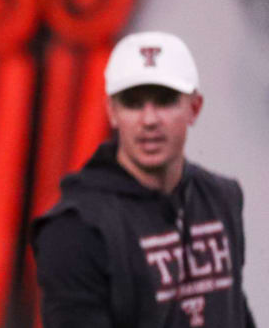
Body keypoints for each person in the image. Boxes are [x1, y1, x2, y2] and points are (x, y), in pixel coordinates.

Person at [32, 31, 255, 328]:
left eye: (164, 101)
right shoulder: (75, 228)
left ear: (195, 107)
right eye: (133, 103)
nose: (149, 120)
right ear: (112, 112)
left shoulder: (221, 197)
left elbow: (234, 309)